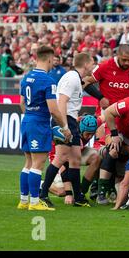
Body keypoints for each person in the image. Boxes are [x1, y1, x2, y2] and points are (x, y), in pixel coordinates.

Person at [18, 45, 71, 211]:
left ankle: (24, 201)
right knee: (38, 164)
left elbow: (21, 103)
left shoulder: (26, 77)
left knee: (28, 162)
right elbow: (54, 109)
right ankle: (34, 202)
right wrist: (64, 127)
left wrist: (31, 116)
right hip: (39, 123)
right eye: (53, 59)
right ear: (49, 59)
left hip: (26, 121)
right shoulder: (48, 80)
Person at [40, 53, 95, 208]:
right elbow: (62, 101)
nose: (93, 67)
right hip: (64, 120)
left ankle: (77, 196)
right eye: (92, 63)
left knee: (76, 158)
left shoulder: (76, 78)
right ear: (85, 64)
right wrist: (64, 126)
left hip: (71, 120)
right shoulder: (71, 77)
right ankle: (42, 194)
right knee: (61, 157)